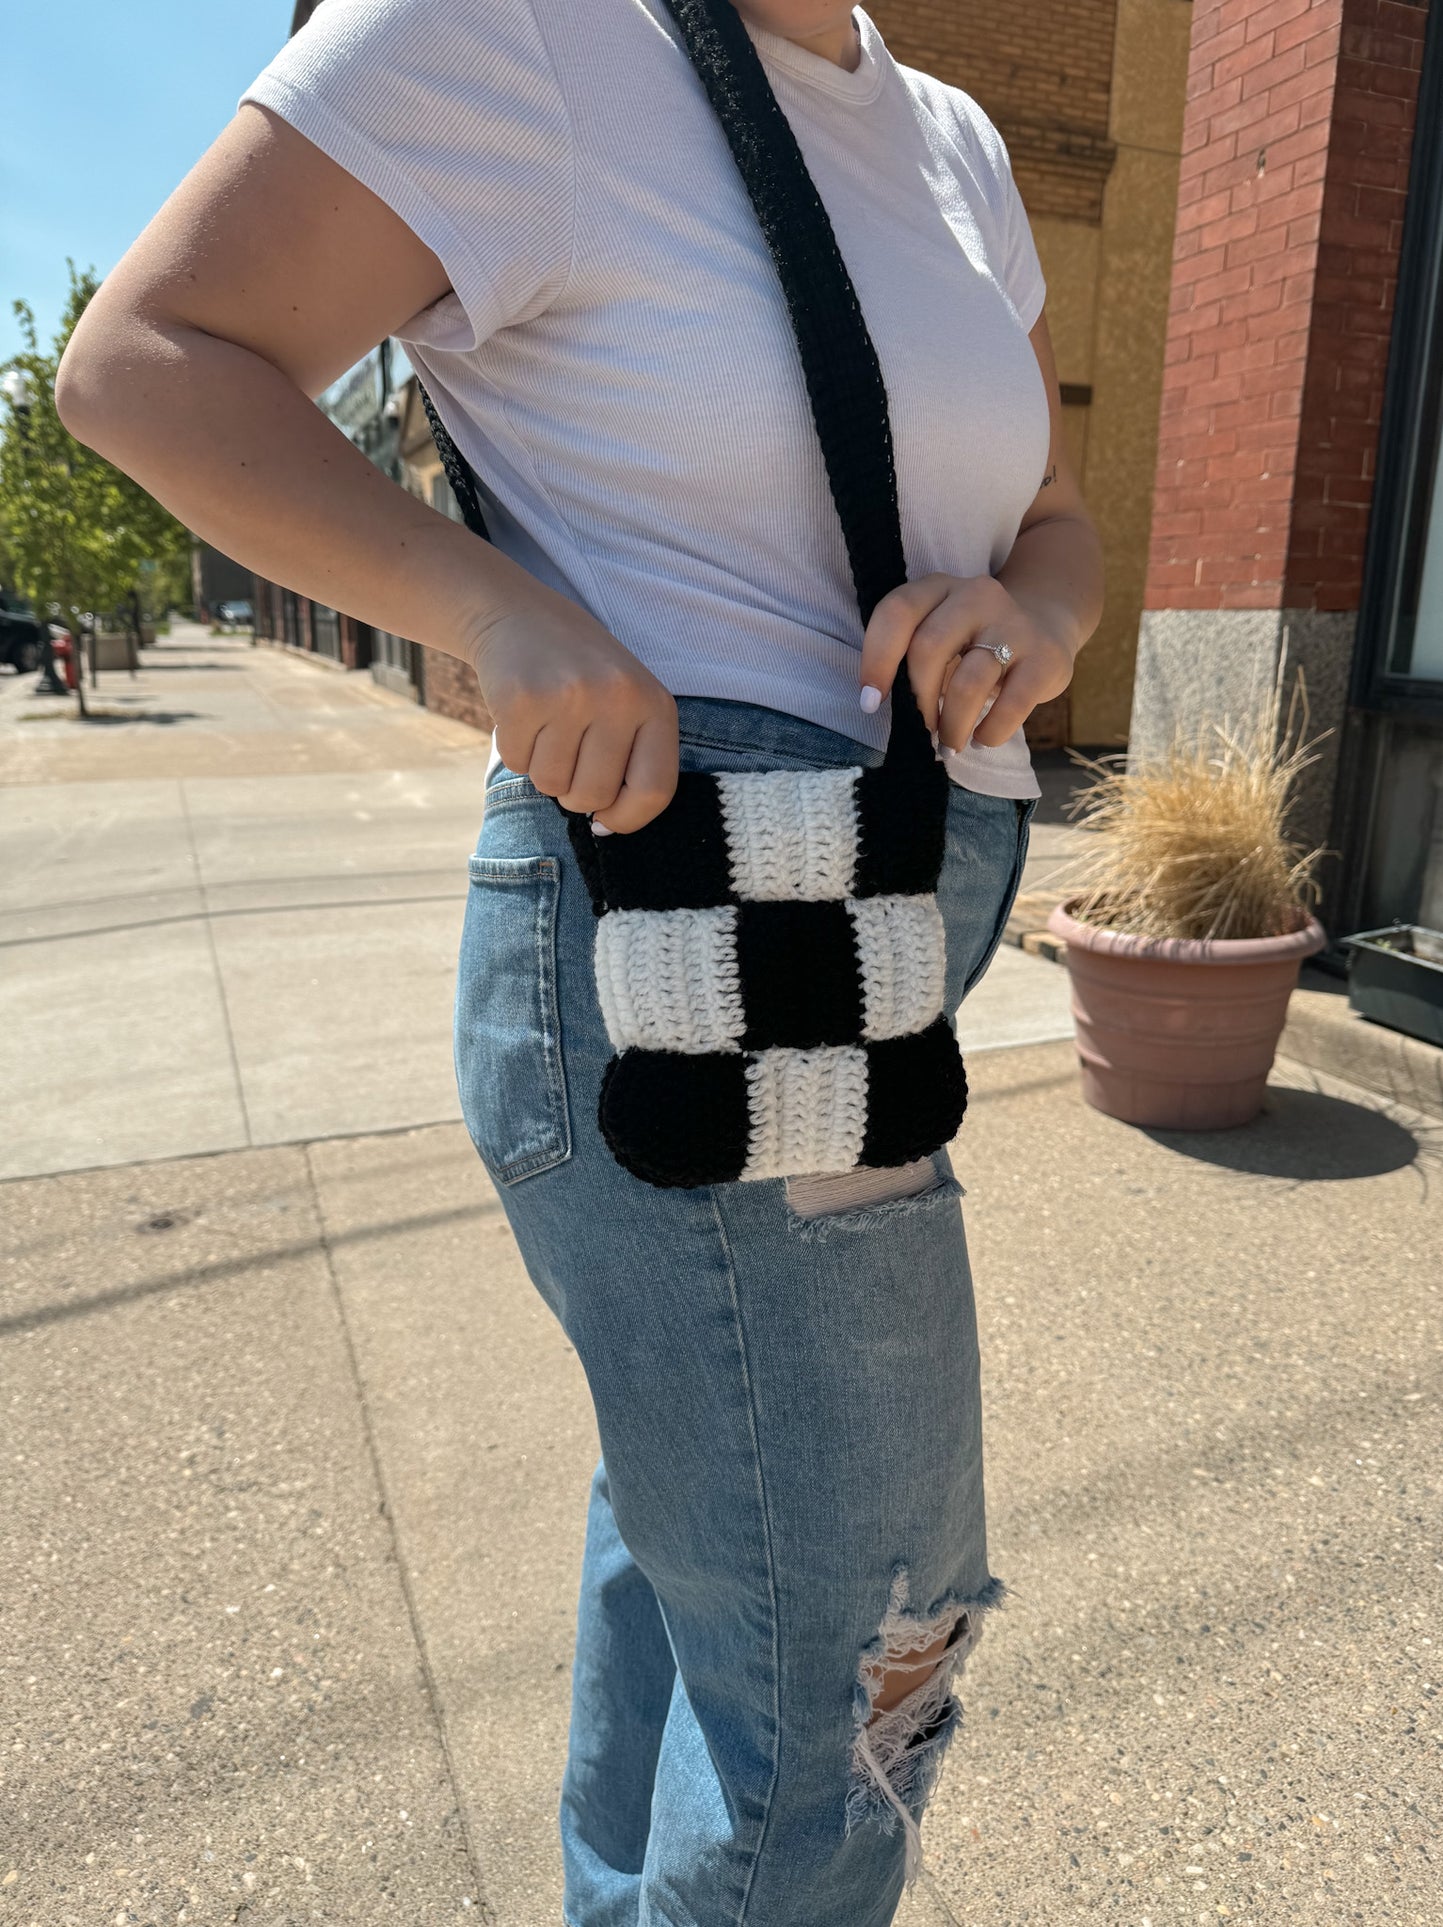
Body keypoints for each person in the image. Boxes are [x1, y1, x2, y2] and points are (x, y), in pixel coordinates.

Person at [56, 2, 1104, 1919]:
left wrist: (1030, 608)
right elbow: (144, 362)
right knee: (865, 1647)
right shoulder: (519, 30)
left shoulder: (944, 134)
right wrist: (495, 613)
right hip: (693, 960)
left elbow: (1046, 510)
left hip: (869, 959)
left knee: (712, 1541)